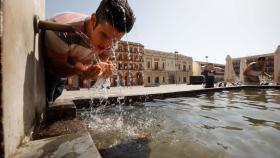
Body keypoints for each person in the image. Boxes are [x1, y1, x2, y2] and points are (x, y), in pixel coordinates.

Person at [44, 0, 135, 105]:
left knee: (55, 95)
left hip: (69, 65)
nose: (108, 45)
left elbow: (99, 63)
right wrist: (79, 72)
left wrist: (102, 71)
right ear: (93, 20)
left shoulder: (111, 42)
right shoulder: (60, 31)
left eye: (115, 40)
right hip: (50, 70)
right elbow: (57, 69)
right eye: (104, 35)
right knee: (47, 98)